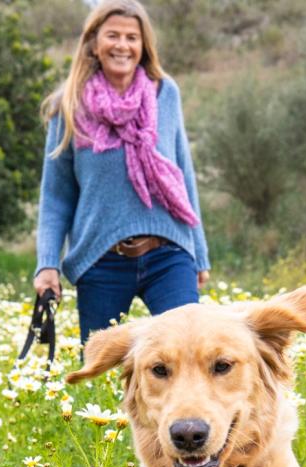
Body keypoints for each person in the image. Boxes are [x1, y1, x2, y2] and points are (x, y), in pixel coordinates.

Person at [33, 0, 210, 344]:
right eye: (112, 35)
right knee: (100, 370)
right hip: (102, 261)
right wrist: (46, 264)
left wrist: (199, 254)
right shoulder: (68, 104)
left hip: (169, 253)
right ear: (94, 44)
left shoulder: (165, 93)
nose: (122, 45)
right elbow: (56, 197)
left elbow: (183, 175)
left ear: (144, 46)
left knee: (190, 352)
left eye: (132, 37)